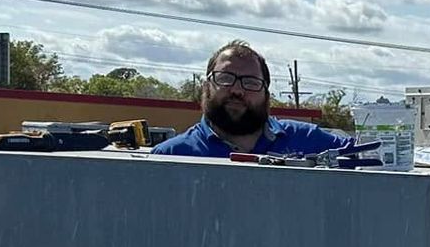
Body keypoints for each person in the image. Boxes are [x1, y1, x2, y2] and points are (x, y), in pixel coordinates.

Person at [151, 41, 356, 160]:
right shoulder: (171, 155)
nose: (237, 90)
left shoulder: (309, 140)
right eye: (225, 78)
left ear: (266, 94)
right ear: (206, 86)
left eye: (250, 82)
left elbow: (370, 154)